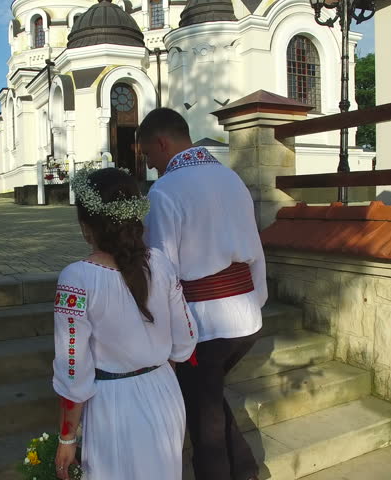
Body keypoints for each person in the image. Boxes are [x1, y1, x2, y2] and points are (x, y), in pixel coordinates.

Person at [137, 108, 268, 480]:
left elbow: (163, 268)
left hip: (203, 325)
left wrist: (162, 328)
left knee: (203, 422)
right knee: (207, 400)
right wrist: (256, 299)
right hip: (246, 317)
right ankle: (245, 471)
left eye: (148, 155)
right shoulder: (231, 179)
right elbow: (256, 247)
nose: (151, 164)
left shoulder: (165, 190)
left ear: (162, 143)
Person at [51, 167, 198, 480]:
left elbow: (73, 369)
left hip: (113, 406)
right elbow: (185, 338)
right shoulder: (161, 262)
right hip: (164, 391)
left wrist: (67, 438)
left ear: (85, 225)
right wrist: (156, 364)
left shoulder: (76, 279)